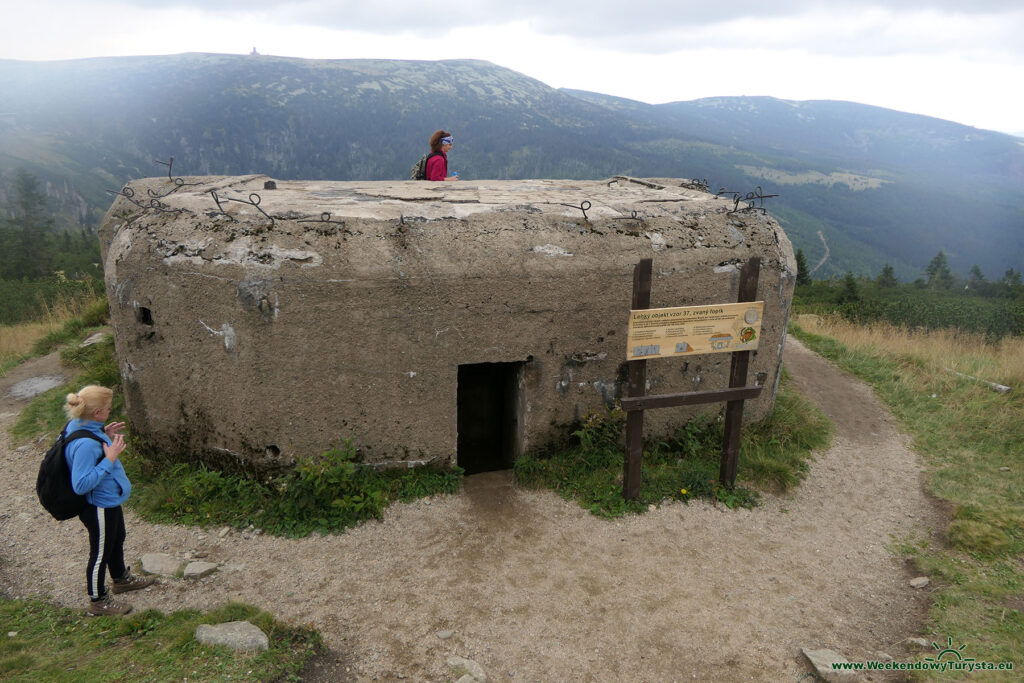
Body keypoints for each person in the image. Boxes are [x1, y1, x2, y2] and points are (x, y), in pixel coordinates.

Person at [63, 385, 155, 616]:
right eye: (108, 408)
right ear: (97, 412)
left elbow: (91, 440)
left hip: (109, 501)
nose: (111, 410)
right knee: (100, 552)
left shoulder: (82, 424)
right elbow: (80, 484)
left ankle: (120, 579)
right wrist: (110, 458)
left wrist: (105, 432)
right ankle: (98, 599)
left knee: (117, 537)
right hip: (99, 506)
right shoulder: (84, 444)